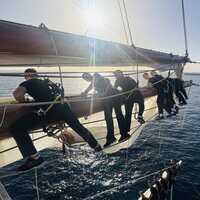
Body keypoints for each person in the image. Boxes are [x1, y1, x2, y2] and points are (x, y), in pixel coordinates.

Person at [9, 68, 102, 171]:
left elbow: (17, 95)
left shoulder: (28, 83)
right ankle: (96, 146)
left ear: (27, 77)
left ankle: (35, 158)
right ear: (37, 75)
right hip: (64, 109)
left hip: (50, 112)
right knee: (78, 127)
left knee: (15, 127)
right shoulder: (46, 82)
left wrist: (23, 101)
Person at [81, 72, 130, 148]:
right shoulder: (96, 81)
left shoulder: (95, 75)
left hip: (111, 96)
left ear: (89, 75)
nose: (86, 79)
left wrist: (85, 91)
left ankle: (115, 137)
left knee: (111, 117)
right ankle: (120, 135)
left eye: (86, 77)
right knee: (115, 116)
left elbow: (92, 84)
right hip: (113, 95)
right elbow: (96, 87)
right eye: (85, 78)